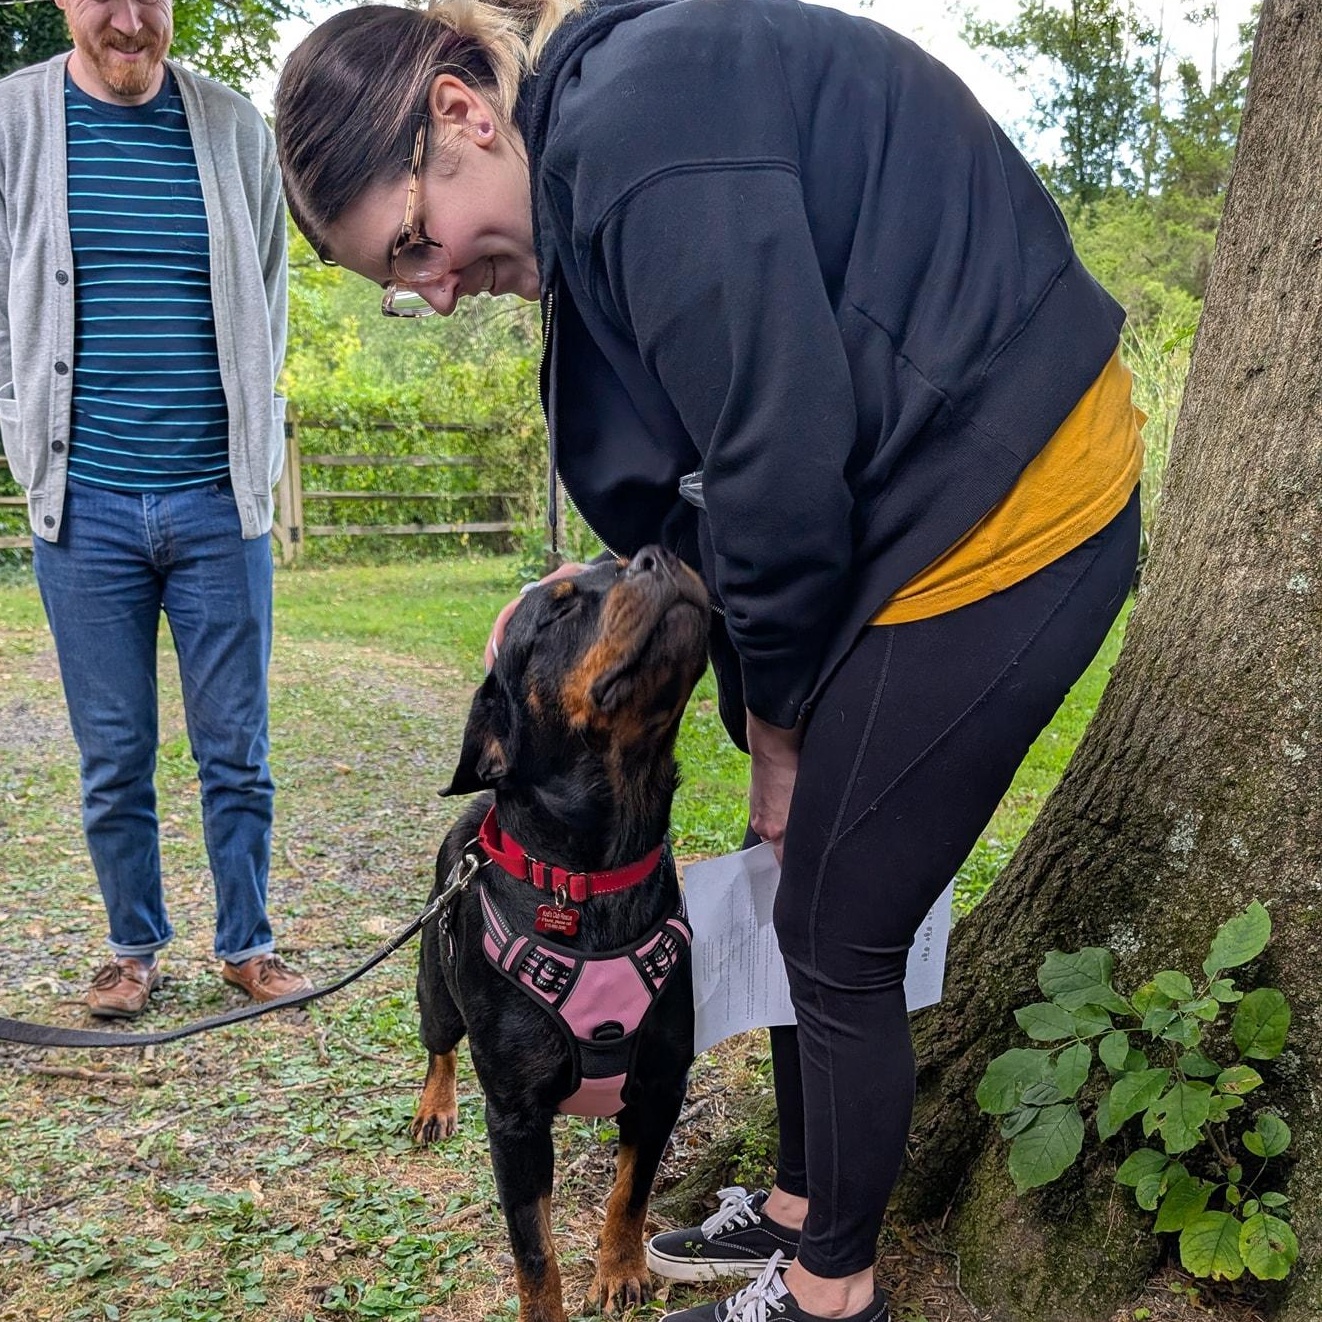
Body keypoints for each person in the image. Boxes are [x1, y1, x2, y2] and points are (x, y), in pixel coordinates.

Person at [274, 1, 1143, 1318]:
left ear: (461, 113)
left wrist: (777, 729)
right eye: (399, 282)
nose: (435, 291)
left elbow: (773, 457)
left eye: (413, 243)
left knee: (834, 926)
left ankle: (828, 1289)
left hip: (1011, 497)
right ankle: (797, 1202)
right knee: (792, 869)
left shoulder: (639, 125)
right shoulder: (588, 183)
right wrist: (750, 704)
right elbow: (693, 512)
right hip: (901, 521)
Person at [0, 0, 311, 1018]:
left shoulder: (232, 125)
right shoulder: (14, 120)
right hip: (84, 506)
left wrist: (253, 438)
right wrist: (20, 426)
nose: (130, 20)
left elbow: (267, 288)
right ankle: (132, 948)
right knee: (114, 754)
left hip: (218, 501)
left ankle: (247, 942)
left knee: (238, 750)